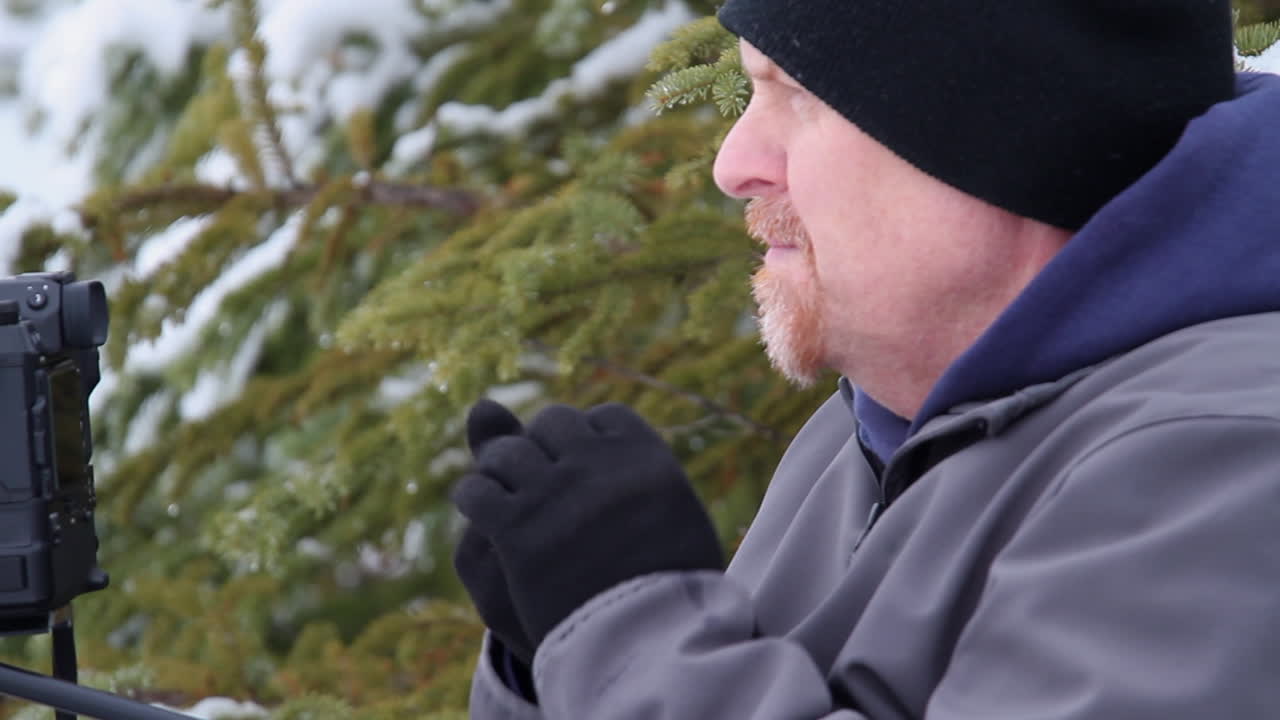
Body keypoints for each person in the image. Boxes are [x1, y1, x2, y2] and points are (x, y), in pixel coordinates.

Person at [451, 1, 1280, 717]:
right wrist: (555, 657)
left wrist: (628, 637)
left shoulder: (1229, 461)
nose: (732, 165)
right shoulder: (870, 426)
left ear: (999, 139)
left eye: (798, 94)